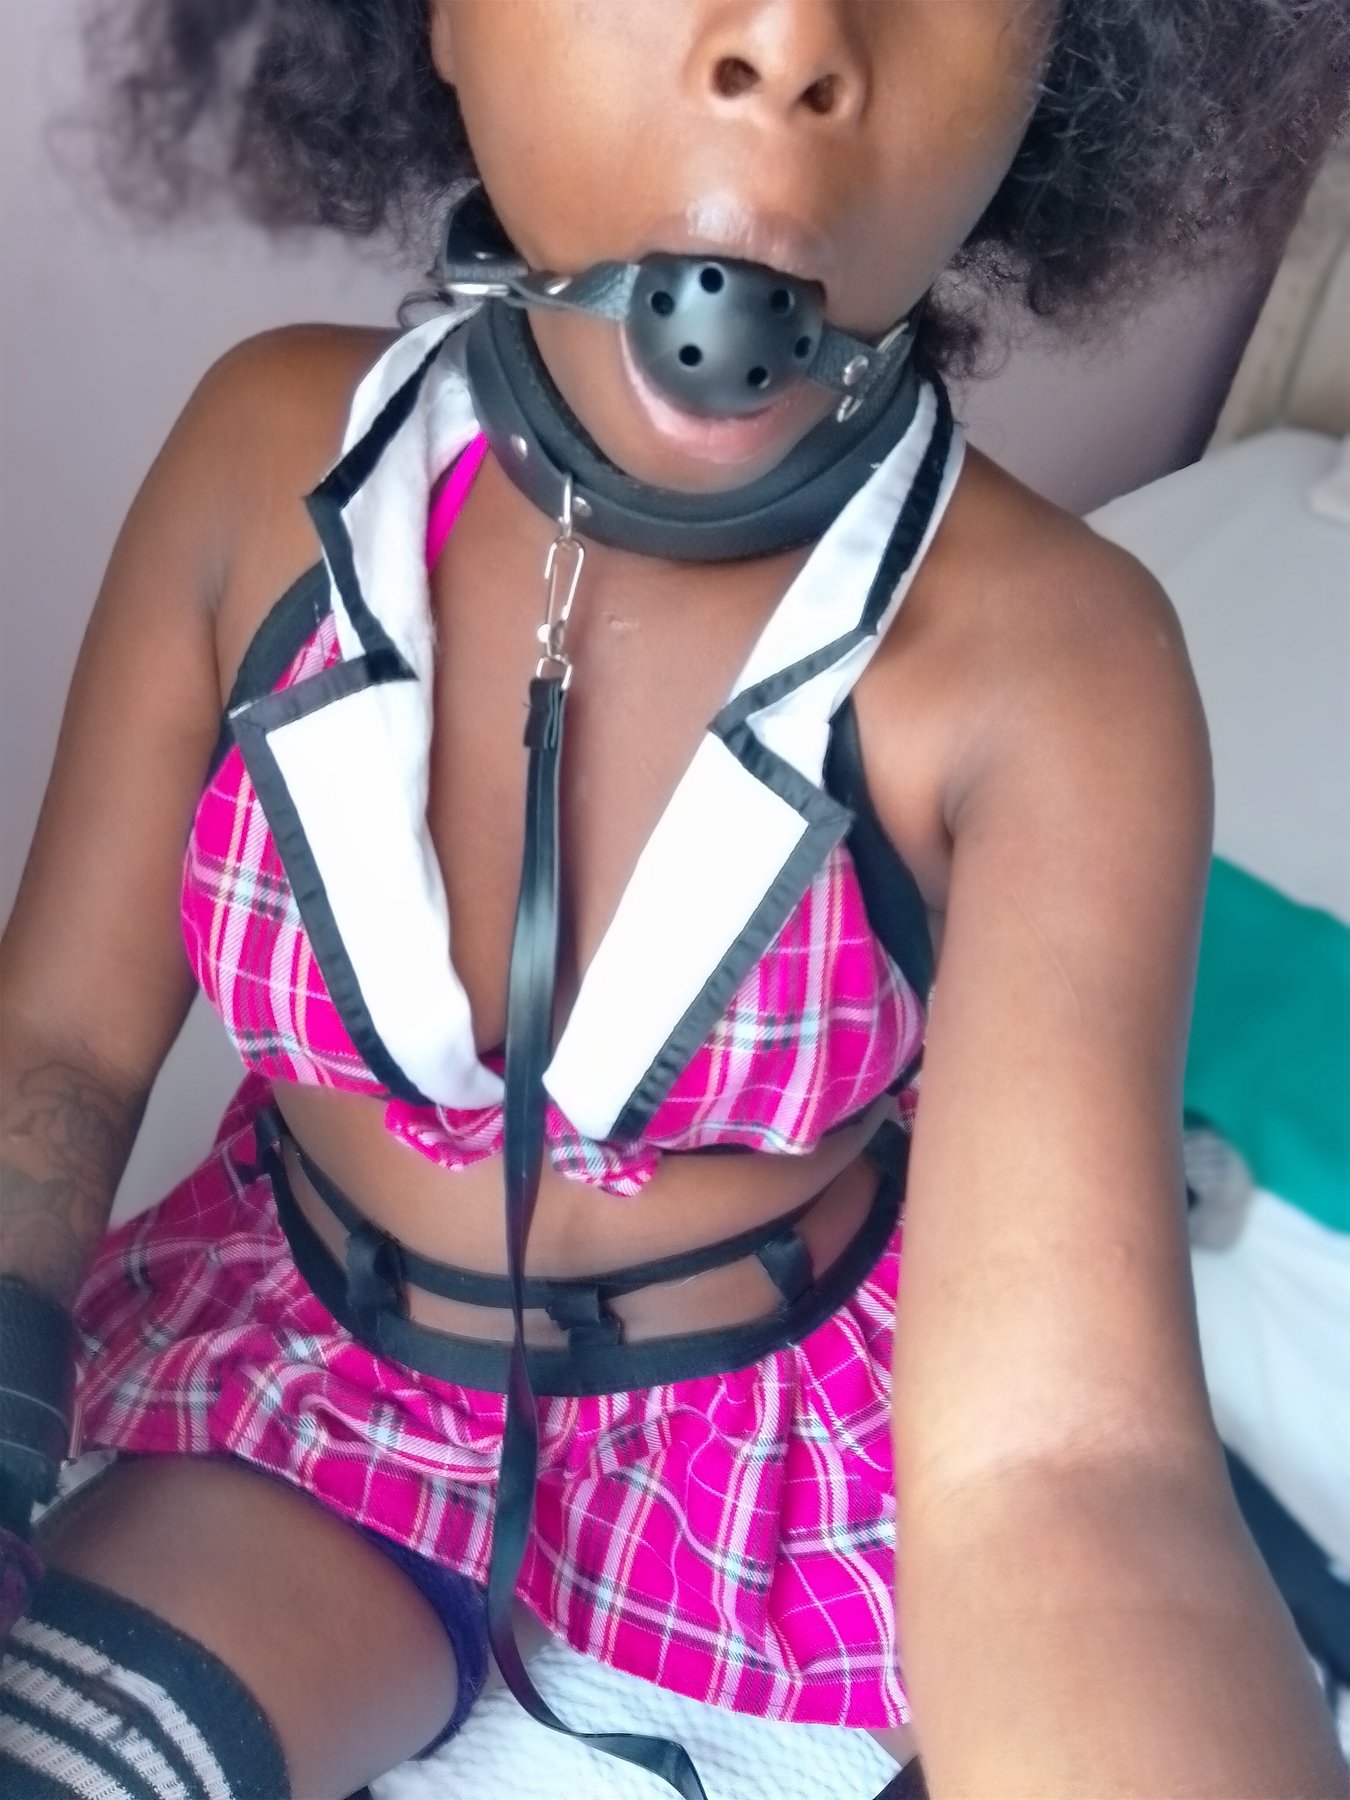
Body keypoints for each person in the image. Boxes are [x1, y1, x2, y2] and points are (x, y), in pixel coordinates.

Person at [2, 3, 1347, 1796]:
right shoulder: (264, 464)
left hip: (783, 1453)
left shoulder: (1057, 667)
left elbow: (1062, 1467)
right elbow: (62, 1045)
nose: (786, 42)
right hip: (320, 1383)